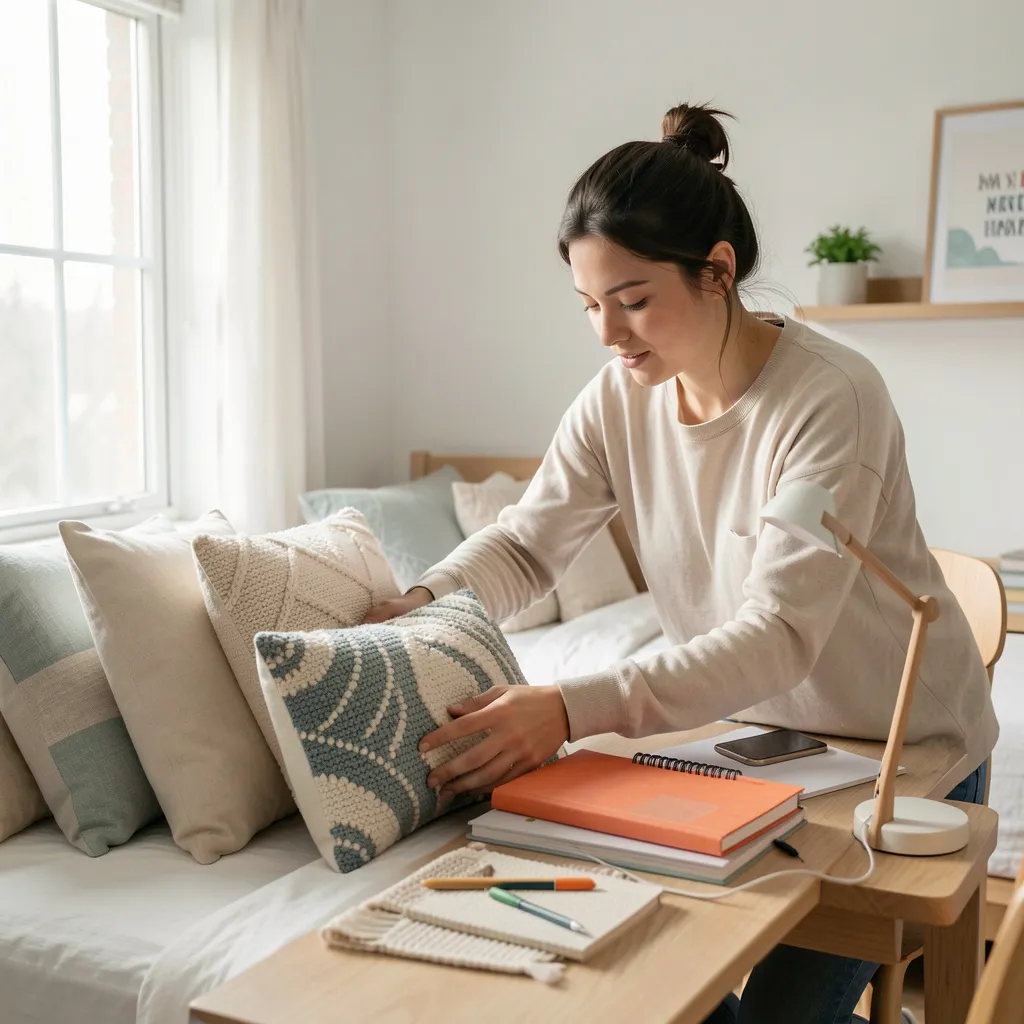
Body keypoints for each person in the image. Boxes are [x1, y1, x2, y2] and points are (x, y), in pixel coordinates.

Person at [364, 103, 998, 1024]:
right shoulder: (617, 398)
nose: (610, 334)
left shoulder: (830, 401)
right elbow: (526, 542)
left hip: (902, 754)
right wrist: (420, 602)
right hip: (751, 742)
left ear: (718, 270)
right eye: (590, 306)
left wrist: (575, 706)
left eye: (632, 301)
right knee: (649, 981)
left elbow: (778, 636)